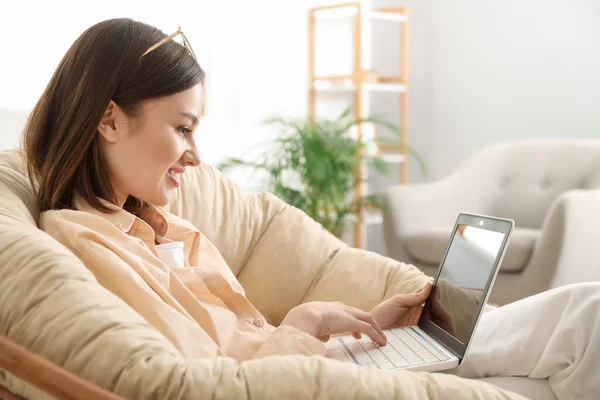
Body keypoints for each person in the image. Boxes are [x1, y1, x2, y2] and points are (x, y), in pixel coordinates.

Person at [22, 18, 599, 400]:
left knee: (583, 311)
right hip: (305, 383)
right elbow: (208, 382)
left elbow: (240, 339)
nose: (196, 155)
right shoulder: (84, 242)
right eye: (182, 128)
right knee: (555, 370)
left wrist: (334, 325)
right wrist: (305, 326)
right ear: (108, 119)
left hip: (317, 363)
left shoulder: (160, 223)